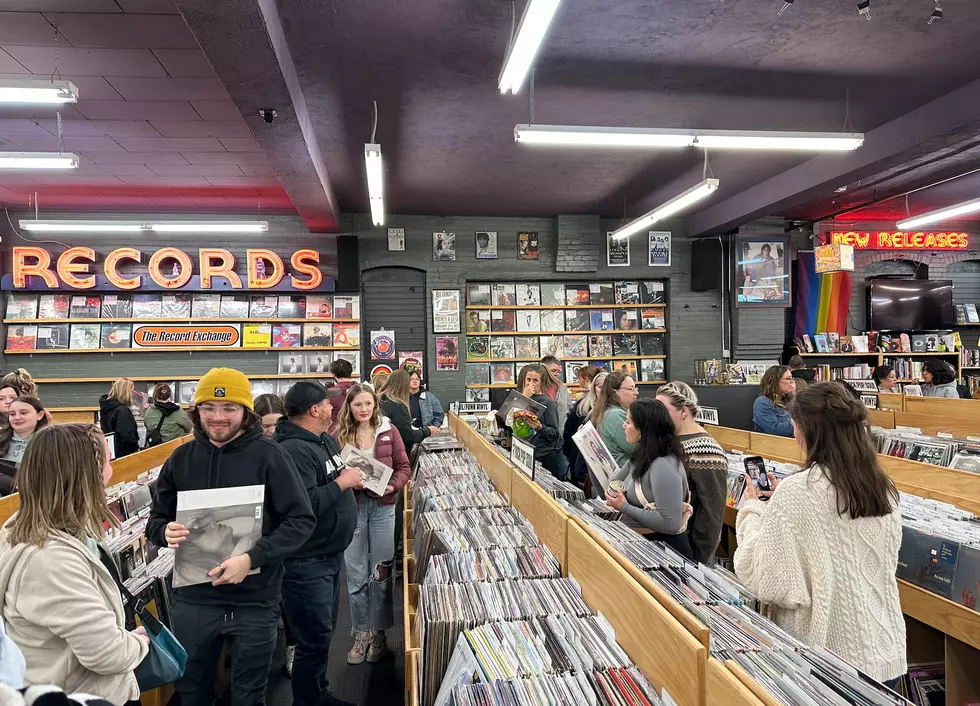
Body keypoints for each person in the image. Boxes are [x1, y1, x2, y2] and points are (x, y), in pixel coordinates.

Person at [145, 368, 315, 706]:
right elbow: (155, 520)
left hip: (255, 599)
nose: (218, 417)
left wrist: (252, 558)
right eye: (208, 408)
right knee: (192, 692)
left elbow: (300, 521)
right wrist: (164, 531)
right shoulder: (181, 458)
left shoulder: (271, 456)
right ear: (195, 411)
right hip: (194, 599)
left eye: (229, 409)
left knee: (249, 696)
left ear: (245, 413)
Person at [734, 382, 907, 683]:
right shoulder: (885, 489)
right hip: (884, 649)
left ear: (806, 429)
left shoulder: (798, 492)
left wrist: (752, 509)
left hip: (826, 660)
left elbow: (768, 580)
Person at [0, 424, 149, 703]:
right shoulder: (50, 560)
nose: (112, 468)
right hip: (81, 696)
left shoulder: (27, 528)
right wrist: (139, 643)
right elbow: (107, 654)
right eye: (106, 460)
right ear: (87, 475)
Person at [275, 383, 360, 706]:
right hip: (305, 562)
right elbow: (304, 504)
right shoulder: (294, 450)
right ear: (314, 410)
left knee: (323, 635)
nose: (332, 408)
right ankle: (308, 700)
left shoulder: (322, 439)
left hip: (326, 556)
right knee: (313, 640)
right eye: (327, 403)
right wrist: (343, 482)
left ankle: (317, 692)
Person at [336, 384, 411, 665]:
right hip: (352, 509)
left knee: (381, 570)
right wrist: (344, 482)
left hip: (383, 508)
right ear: (350, 407)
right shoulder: (339, 435)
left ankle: (379, 632)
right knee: (355, 571)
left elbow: (405, 467)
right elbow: (330, 474)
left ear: (375, 405)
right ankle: (361, 631)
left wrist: (391, 487)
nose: (363, 409)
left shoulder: (389, 431)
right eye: (358, 405)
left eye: (368, 403)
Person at [604, 399, 693, 559]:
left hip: (666, 553)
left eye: (629, 422)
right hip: (645, 546)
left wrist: (624, 507)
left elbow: (670, 523)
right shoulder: (642, 456)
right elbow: (614, 484)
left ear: (642, 431)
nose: (624, 426)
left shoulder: (663, 465)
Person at [656, 382, 727, 565]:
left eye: (662, 409)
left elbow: (712, 512)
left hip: (687, 551)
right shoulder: (671, 440)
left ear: (683, 412)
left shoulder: (707, 451)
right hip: (666, 543)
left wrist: (699, 561)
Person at [515, 364, 563, 478]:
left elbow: (555, 434)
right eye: (528, 379)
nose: (530, 383)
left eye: (535, 380)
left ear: (541, 383)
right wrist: (524, 398)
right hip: (523, 452)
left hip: (542, 455)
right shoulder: (520, 397)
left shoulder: (548, 403)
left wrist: (541, 428)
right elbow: (510, 421)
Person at [378, 370, 435, 459]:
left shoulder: (381, 400)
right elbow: (407, 436)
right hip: (396, 456)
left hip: (383, 453)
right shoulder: (397, 405)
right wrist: (428, 431)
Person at [589, 371, 639, 471]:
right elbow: (637, 448)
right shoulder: (616, 416)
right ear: (614, 391)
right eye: (631, 389)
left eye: (635, 388)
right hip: (626, 476)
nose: (636, 392)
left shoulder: (607, 411)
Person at [561, 366, 601, 484]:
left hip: (578, 453)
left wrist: (567, 451)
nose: (578, 382)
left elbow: (569, 429)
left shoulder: (583, 403)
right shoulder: (598, 402)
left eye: (579, 378)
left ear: (586, 378)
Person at [99, 378, 140, 458]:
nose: (133, 393)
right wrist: (135, 447)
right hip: (123, 454)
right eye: (132, 390)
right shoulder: (123, 411)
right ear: (126, 392)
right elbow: (127, 435)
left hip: (111, 450)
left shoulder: (106, 407)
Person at [0, 398, 48, 465]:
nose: (17, 418)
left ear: (40, 415)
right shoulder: (1, 440)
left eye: (23, 413)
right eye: (12, 414)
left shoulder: (51, 442)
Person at [752, 365, 794, 437]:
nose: (792, 382)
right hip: (771, 445)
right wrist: (800, 425)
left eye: (792, 379)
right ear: (775, 381)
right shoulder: (762, 402)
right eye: (788, 379)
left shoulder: (789, 399)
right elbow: (774, 429)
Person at [327, 359, 358, 436]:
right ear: (350, 372)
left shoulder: (329, 394)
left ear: (334, 374)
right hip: (358, 434)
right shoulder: (363, 391)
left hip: (335, 436)